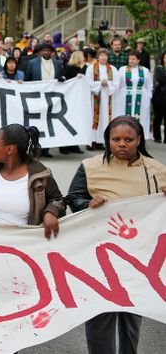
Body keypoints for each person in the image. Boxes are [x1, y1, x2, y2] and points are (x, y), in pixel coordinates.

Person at [66, 115, 166, 354]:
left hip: (140, 257)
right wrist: (87, 203)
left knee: (132, 316)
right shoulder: (90, 166)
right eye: (116, 139)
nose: (122, 144)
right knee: (101, 314)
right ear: (108, 140)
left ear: (139, 140)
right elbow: (72, 198)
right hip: (101, 256)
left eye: (128, 139)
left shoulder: (157, 171)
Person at [0, 124, 65, 239]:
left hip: (25, 243)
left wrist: (51, 212)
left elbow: (58, 200)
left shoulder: (40, 175)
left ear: (9, 149)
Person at [86, 49, 120, 149]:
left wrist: (108, 83)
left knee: (105, 118)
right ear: (98, 57)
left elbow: (117, 83)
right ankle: (91, 141)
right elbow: (88, 82)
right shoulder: (91, 68)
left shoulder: (112, 69)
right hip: (95, 97)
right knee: (93, 118)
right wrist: (100, 83)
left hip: (108, 97)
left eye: (105, 56)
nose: (104, 57)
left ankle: (101, 141)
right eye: (101, 55)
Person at [114, 51, 153, 139]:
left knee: (140, 118)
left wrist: (149, 97)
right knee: (125, 117)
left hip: (141, 99)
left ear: (138, 60)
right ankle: (123, 136)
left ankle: (139, 138)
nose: (131, 61)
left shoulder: (145, 71)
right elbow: (117, 84)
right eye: (130, 58)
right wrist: (115, 97)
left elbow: (149, 85)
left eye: (133, 59)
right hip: (124, 98)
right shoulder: (122, 69)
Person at [154, 53, 166, 143]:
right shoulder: (159, 68)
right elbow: (160, 79)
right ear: (163, 58)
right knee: (158, 116)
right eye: (165, 58)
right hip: (159, 95)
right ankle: (157, 137)